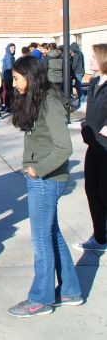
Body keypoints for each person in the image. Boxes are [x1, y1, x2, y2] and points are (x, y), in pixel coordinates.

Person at [8, 56, 82, 317]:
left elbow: (65, 147)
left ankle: (40, 298)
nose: (14, 84)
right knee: (52, 235)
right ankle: (71, 290)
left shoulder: (50, 102)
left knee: (41, 241)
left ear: (30, 75)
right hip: (42, 178)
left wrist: (36, 170)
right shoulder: (39, 99)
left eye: (17, 78)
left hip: (46, 180)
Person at [74, 44, 107, 253]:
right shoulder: (95, 82)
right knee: (92, 191)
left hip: (105, 147)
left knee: (104, 192)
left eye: (94, 57)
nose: (91, 60)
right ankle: (100, 236)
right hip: (93, 144)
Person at [1, 43, 16, 112]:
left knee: (8, 92)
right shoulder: (9, 56)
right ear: (8, 49)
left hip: (7, 76)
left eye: (14, 48)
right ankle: (9, 106)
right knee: (10, 92)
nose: (13, 49)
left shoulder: (8, 56)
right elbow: (10, 67)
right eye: (11, 48)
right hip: (9, 77)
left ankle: (8, 106)